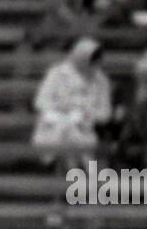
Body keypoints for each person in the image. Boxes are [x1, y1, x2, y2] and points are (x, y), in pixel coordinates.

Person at [31, 36, 112, 170]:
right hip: (54, 127)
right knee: (67, 136)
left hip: (84, 129)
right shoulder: (56, 73)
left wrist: (88, 113)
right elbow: (40, 102)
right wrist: (62, 107)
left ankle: (78, 177)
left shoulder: (101, 80)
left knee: (75, 138)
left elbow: (105, 114)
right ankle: (84, 174)